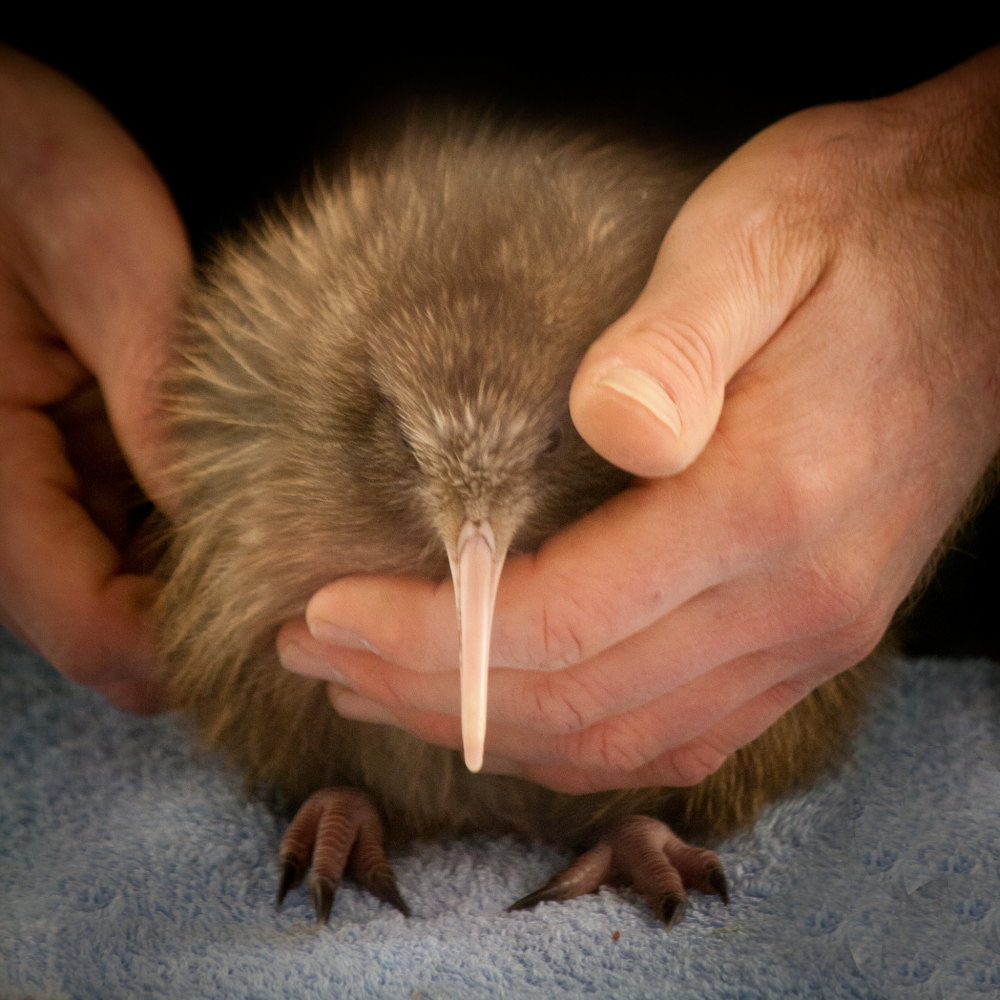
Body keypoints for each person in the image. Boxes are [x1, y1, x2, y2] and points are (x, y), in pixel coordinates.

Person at [2, 42, 998, 792]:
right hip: (102, 329)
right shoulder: (291, 402)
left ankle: (648, 814)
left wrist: (965, 224)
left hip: (820, 362)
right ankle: (342, 792)